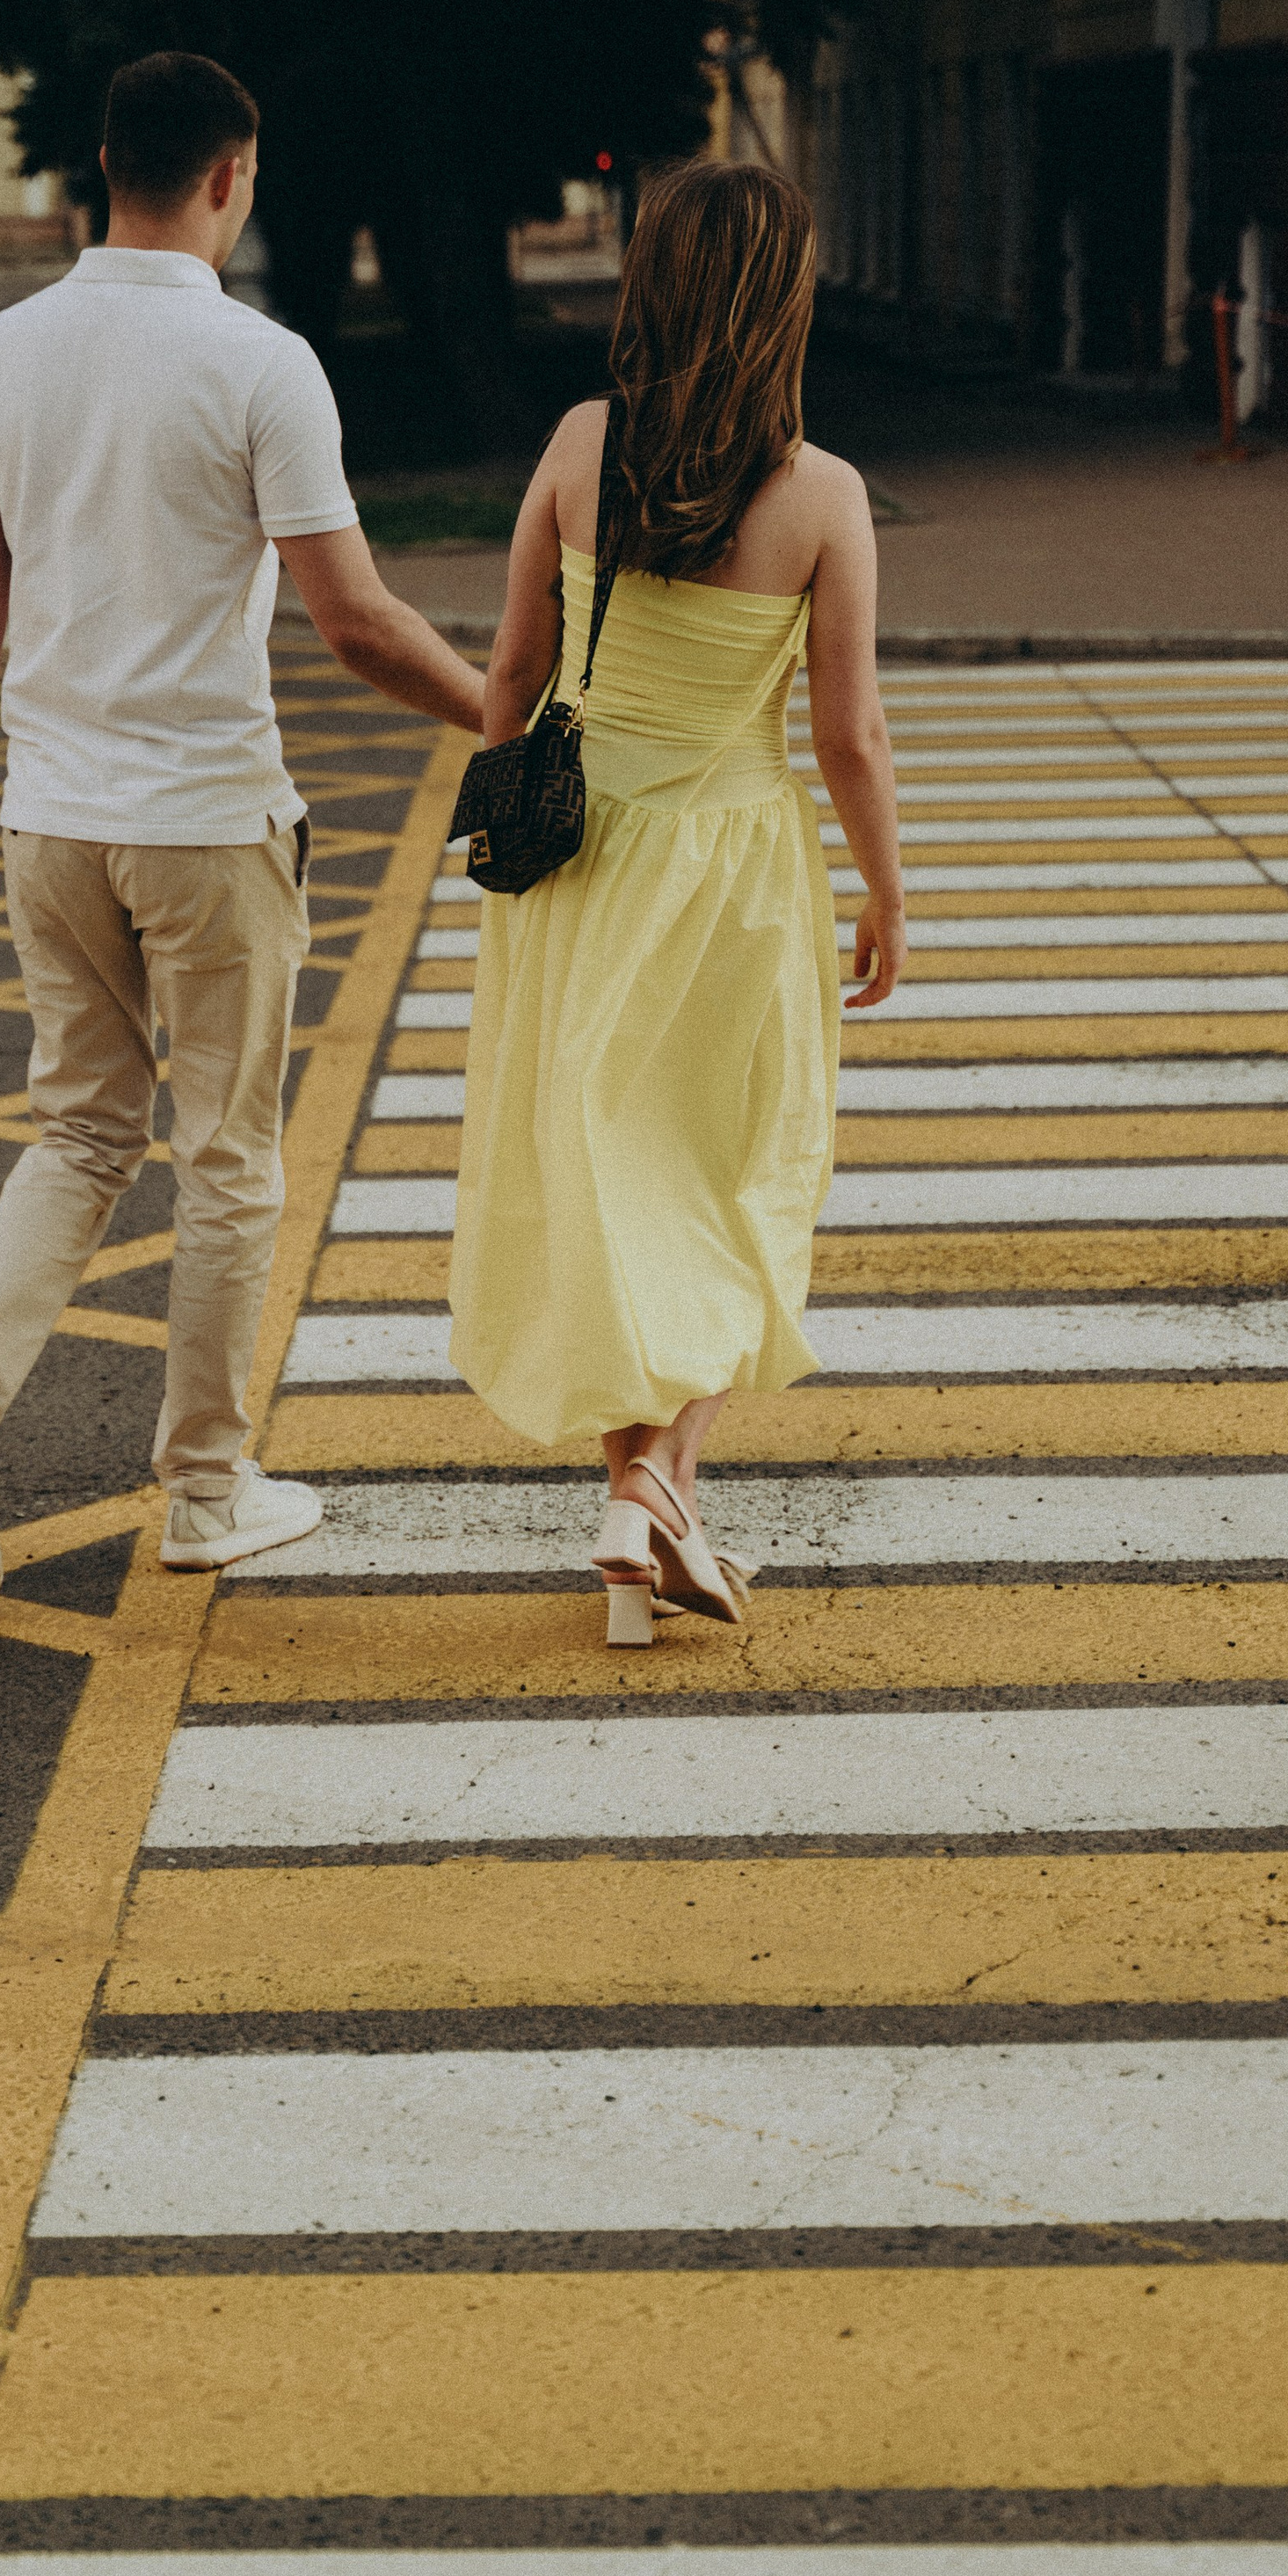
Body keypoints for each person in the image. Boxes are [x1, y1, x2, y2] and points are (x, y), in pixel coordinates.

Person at [0, 50, 484, 1594]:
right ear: (230, 177)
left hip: (52, 818)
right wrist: (508, 713)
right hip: (210, 822)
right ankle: (208, 1492)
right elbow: (353, 621)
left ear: (103, 167)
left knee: (79, 1131)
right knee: (227, 1157)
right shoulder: (260, 363)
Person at [448, 157, 906, 1644]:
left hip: (579, 860)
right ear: (785, 303)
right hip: (734, 875)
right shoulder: (825, 495)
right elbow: (848, 736)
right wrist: (888, 890)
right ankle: (657, 1491)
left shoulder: (583, 447)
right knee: (730, 1174)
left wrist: (508, 799)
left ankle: (642, 1497)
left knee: (612, 1176)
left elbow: (512, 672)